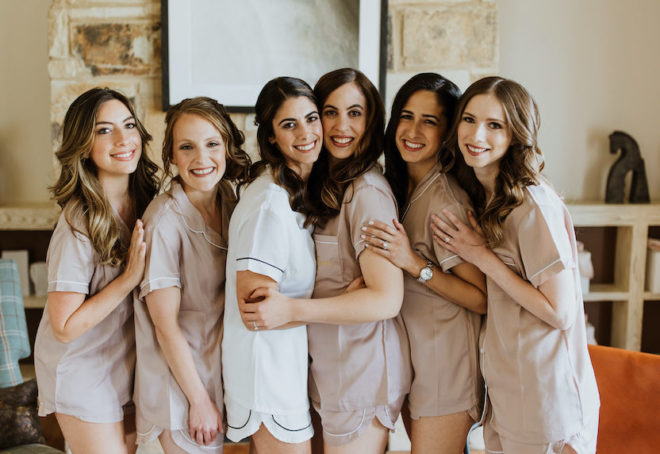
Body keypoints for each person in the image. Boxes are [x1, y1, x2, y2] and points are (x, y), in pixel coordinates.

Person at [239, 68, 410, 454]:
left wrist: (294, 310)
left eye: (355, 113)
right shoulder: (325, 189)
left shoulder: (367, 193)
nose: (340, 126)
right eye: (329, 112)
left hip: (361, 378)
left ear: (371, 122)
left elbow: (386, 299)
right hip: (327, 371)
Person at [430, 76, 600, 454]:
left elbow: (561, 312)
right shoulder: (488, 199)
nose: (477, 134)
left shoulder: (533, 205)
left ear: (516, 134)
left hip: (545, 401)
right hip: (509, 395)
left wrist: (481, 257)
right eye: (469, 120)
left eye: (495, 125)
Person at [361, 73, 487, 453]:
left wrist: (414, 263)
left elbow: (481, 297)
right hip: (418, 365)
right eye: (407, 116)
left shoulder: (444, 201)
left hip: (447, 370)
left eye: (429, 121)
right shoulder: (404, 189)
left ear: (447, 132)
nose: (413, 130)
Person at [34, 87, 159, 454]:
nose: (123, 139)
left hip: (128, 367)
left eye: (129, 125)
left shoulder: (148, 202)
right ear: (83, 145)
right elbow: (65, 326)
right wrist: (128, 280)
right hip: (82, 373)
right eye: (104, 130)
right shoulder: (79, 220)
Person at [134, 97, 250, 453]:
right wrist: (198, 400)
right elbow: (164, 325)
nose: (202, 159)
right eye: (187, 147)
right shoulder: (164, 221)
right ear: (171, 156)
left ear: (227, 148)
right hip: (181, 384)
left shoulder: (230, 200)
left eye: (212, 144)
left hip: (218, 369)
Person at [222, 77, 322, 453]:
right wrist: (344, 305)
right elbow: (256, 312)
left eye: (311, 118)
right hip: (266, 375)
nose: (306, 133)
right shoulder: (269, 205)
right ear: (271, 138)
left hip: (284, 367)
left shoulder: (291, 195)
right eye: (289, 124)